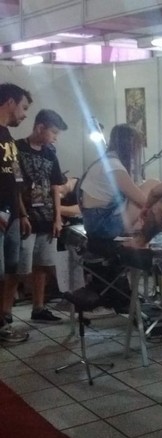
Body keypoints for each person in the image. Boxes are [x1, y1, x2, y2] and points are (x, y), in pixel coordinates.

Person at [7, 109, 69, 324]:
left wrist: (57, 217)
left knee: (42, 265)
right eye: (54, 132)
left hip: (47, 217)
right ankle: (5, 312)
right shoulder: (16, 148)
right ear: (40, 127)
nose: (55, 137)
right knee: (17, 268)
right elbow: (13, 186)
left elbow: (55, 187)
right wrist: (22, 214)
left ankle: (39, 308)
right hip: (25, 218)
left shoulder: (50, 153)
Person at [79, 123, 151, 242]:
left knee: (147, 195)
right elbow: (143, 201)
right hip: (103, 226)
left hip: (94, 224)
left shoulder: (105, 162)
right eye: (138, 146)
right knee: (152, 185)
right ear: (129, 145)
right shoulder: (114, 166)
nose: (138, 150)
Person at [0, 83, 32, 343]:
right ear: (9, 102)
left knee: (11, 270)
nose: (24, 114)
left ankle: (3, 320)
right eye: (23, 107)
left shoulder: (8, 138)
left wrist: (21, 214)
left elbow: (15, 182)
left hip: (11, 216)